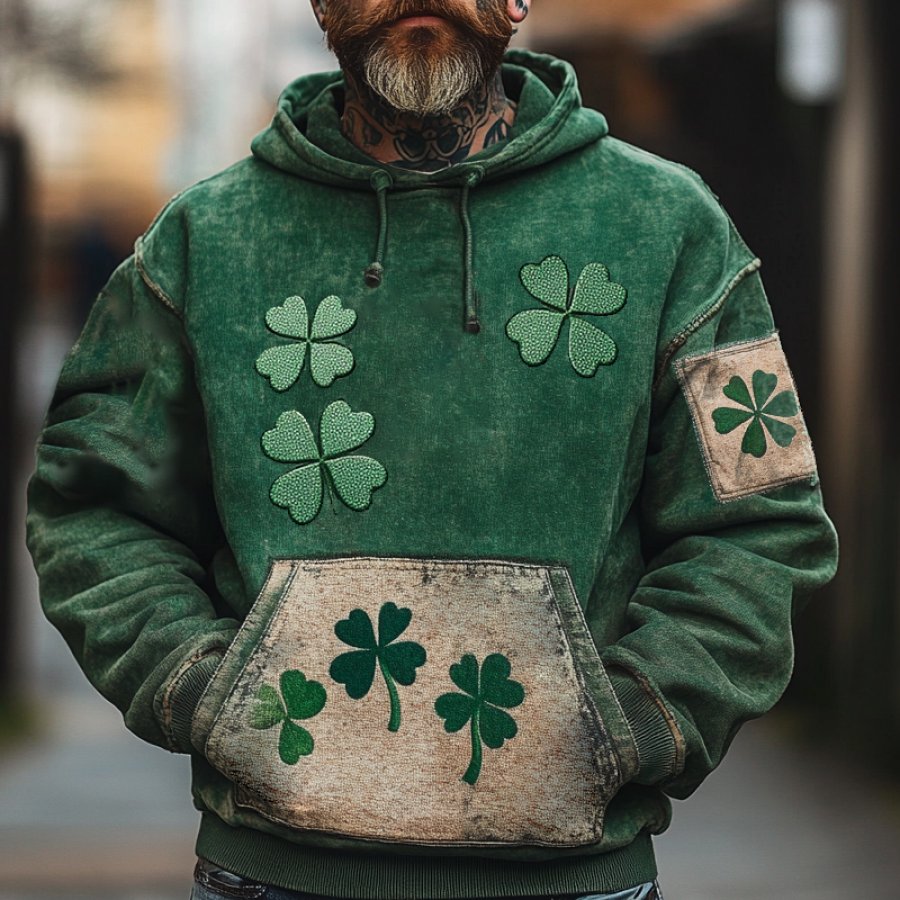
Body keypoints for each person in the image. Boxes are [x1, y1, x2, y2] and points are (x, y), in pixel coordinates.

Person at [25, 1, 838, 899]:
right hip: (271, 878)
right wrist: (205, 690)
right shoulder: (203, 245)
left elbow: (761, 523)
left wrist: (638, 720)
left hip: (576, 883)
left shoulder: (670, 230)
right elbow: (92, 508)